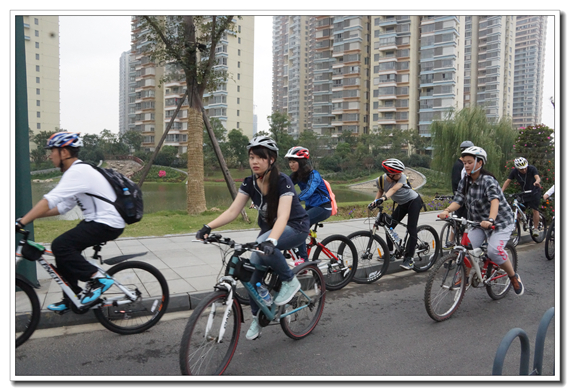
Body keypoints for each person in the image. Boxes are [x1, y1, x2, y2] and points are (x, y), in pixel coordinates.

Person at [196, 136, 310, 341]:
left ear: (271, 160)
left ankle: (290, 281)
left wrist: (271, 241)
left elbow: (284, 216)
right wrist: (208, 226)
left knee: (261, 247)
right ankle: (258, 317)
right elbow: (233, 211)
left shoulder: (282, 181)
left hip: (295, 227)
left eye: (260, 157)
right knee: (252, 276)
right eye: (251, 157)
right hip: (268, 233)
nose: (254, 161)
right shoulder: (249, 182)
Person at [15, 132, 125, 311]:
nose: (50, 155)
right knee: (62, 250)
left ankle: (99, 278)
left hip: (107, 222)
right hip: (98, 221)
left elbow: (50, 200)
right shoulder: (76, 172)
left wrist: (21, 222)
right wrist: (30, 217)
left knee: (61, 245)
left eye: (53, 151)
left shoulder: (77, 171)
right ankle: (72, 297)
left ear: (64, 152)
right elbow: (64, 207)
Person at [438, 146, 524, 295]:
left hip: (501, 222)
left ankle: (513, 276)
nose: (466, 165)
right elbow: (458, 200)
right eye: (464, 162)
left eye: (469, 162)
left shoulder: (488, 180)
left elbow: (494, 201)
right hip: (479, 223)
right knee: (465, 249)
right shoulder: (465, 181)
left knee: (494, 250)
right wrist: (446, 211)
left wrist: (490, 219)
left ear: (480, 163)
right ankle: (463, 276)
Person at [368, 158, 423, 270]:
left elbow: (394, 189)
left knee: (411, 229)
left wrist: (383, 198)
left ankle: (409, 259)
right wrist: (374, 202)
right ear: (390, 174)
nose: (400, 174)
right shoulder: (380, 180)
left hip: (414, 201)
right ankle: (391, 253)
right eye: (397, 173)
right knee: (389, 225)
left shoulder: (401, 177)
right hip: (402, 204)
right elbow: (380, 191)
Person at [285, 146, 332, 263]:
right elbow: (283, 186)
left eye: (294, 162)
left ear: (301, 162)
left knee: (300, 225)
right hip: (311, 207)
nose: (291, 165)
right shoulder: (296, 175)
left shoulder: (313, 174)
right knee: (291, 223)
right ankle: (297, 250)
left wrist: (294, 199)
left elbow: (309, 191)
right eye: (290, 162)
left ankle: (304, 262)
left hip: (323, 207)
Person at [501, 157, 542, 237]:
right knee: (519, 210)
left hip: (534, 191)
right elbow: (508, 181)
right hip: (524, 192)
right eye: (521, 169)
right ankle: (515, 229)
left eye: (524, 168)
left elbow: (537, 177)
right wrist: (501, 191)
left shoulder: (532, 169)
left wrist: (537, 182)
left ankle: (536, 228)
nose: (523, 170)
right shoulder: (514, 172)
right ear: (517, 168)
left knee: (535, 209)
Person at [447, 140, 474, 245]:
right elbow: (457, 182)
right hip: (461, 196)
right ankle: (451, 241)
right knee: (459, 220)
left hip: (461, 195)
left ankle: (452, 241)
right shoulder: (459, 165)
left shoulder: (461, 164)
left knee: (459, 220)